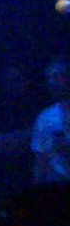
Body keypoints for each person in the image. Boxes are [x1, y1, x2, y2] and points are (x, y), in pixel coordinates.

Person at [30, 55, 70, 186]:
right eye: (49, 78)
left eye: (57, 76)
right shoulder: (45, 118)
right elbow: (40, 161)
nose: (52, 82)